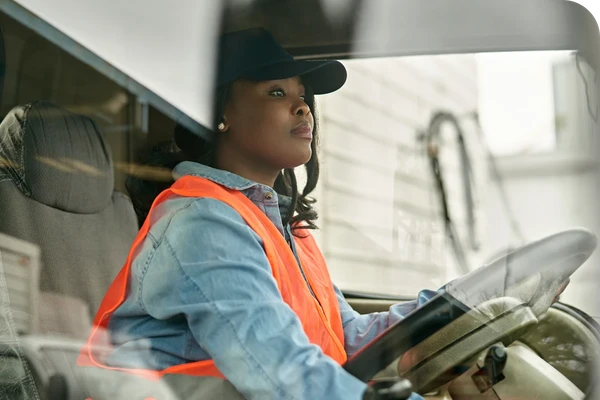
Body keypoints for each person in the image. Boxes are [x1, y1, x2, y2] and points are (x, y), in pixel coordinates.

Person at [77, 28, 566, 400]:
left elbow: (346, 339)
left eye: (303, 97)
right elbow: (282, 373)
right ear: (217, 115)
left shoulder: (280, 227)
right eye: (276, 93)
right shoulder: (203, 223)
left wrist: (462, 300)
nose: (303, 108)